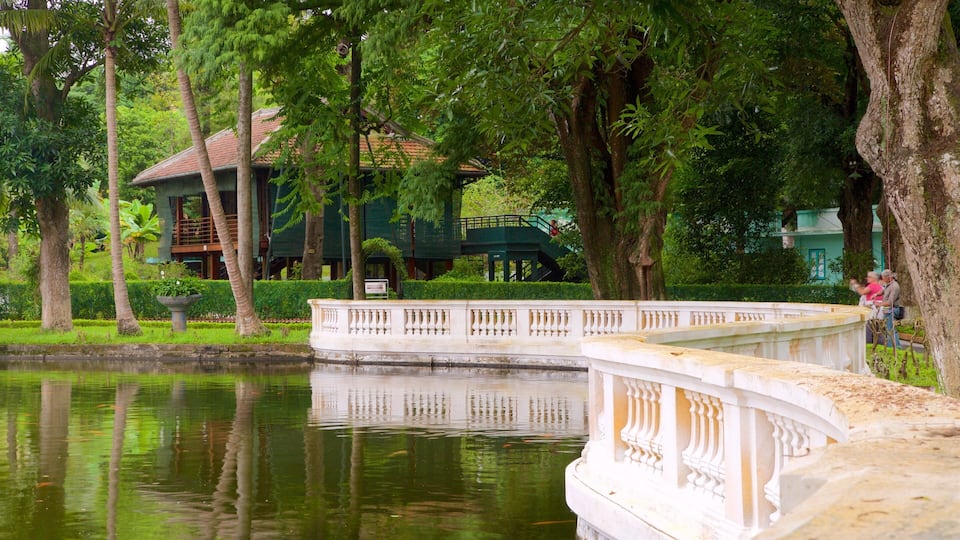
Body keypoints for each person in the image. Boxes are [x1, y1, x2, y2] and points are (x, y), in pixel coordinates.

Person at [878, 269, 902, 349]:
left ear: (888, 277)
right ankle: (895, 346)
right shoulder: (889, 285)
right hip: (887, 310)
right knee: (889, 329)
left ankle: (893, 347)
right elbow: (884, 291)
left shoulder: (894, 286)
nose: (882, 280)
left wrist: (879, 304)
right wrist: (877, 294)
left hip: (892, 309)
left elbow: (890, 302)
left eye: (883, 278)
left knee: (890, 330)